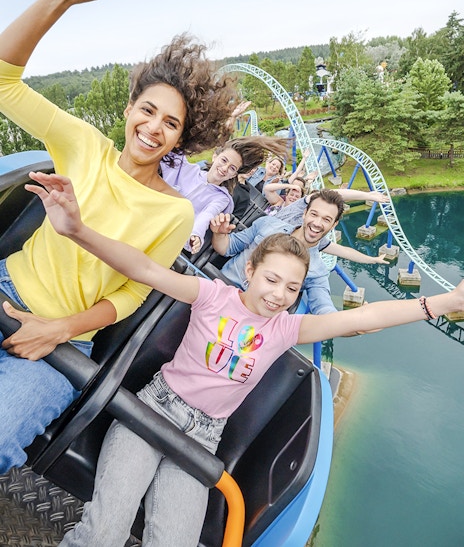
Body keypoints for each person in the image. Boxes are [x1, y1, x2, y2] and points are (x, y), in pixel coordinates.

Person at [22, 169, 464, 547]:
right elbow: (145, 270)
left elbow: (360, 319)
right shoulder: (214, 295)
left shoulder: (287, 328)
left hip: (202, 438)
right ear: (251, 271)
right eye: (272, 280)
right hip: (154, 410)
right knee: (105, 532)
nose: (279, 296)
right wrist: (77, 230)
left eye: (292, 289)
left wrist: (441, 304)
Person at [0, 0, 236, 474]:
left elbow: (132, 293)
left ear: (181, 139)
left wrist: (58, 330)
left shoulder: (174, 213)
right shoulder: (82, 144)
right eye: (147, 111)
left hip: (63, 339)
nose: (152, 128)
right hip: (7, 289)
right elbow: (3, 80)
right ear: (129, 109)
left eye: (169, 123)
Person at [210, 189, 387, 316]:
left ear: (333, 226)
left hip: (251, 317)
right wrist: (219, 233)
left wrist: (356, 321)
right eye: (314, 215)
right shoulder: (268, 225)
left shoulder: (317, 270)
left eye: (326, 219)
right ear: (304, 214)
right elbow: (227, 247)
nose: (317, 223)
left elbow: (324, 309)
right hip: (221, 291)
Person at [160, 136, 287, 253]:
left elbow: (206, 215)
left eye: (232, 168)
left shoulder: (221, 198)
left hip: (173, 233)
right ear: (215, 156)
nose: (225, 168)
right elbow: (174, 148)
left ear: (234, 175)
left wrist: (195, 234)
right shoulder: (188, 170)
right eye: (224, 160)